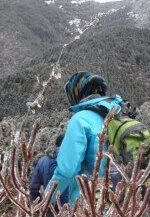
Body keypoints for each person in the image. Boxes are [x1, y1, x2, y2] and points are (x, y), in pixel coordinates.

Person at [47, 71, 124, 217]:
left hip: (87, 207)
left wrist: (47, 197)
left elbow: (67, 169)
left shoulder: (80, 120)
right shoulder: (115, 117)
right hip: (116, 207)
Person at [46, 71, 125, 205]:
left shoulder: (80, 120)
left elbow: (67, 170)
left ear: (76, 94)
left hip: (93, 203)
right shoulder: (120, 114)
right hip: (127, 202)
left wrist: (45, 202)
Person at [29, 134, 64, 203]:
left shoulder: (43, 161)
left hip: (47, 204)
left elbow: (34, 187)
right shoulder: (76, 162)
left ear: (55, 145)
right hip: (72, 206)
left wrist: (35, 203)